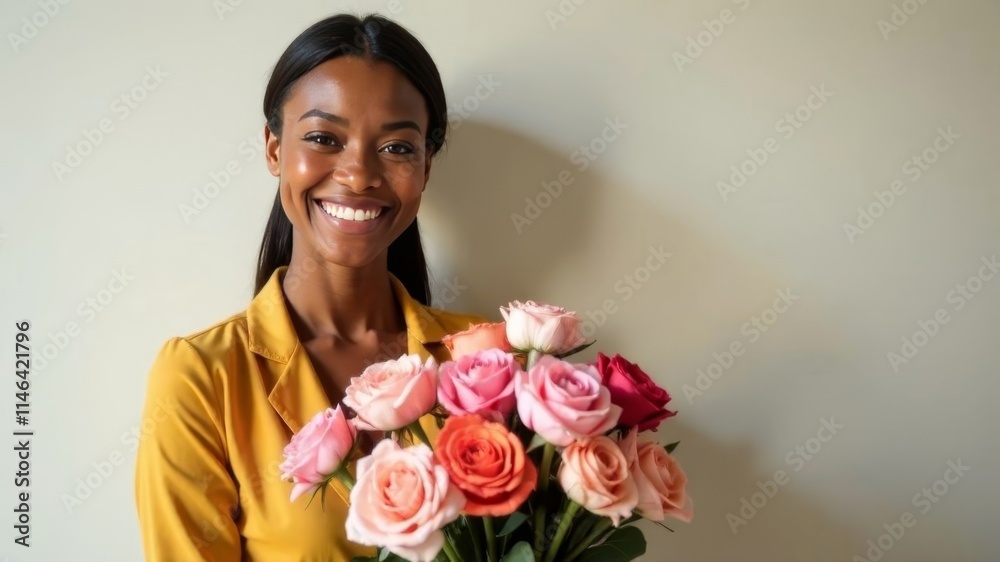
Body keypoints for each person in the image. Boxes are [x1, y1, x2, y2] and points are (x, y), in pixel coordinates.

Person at [134, 13, 485, 560]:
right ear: (274, 150)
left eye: (397, 148)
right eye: (324, 138)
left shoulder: (487, 361)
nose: (358, 173)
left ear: (426, 167)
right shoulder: (203, 377)